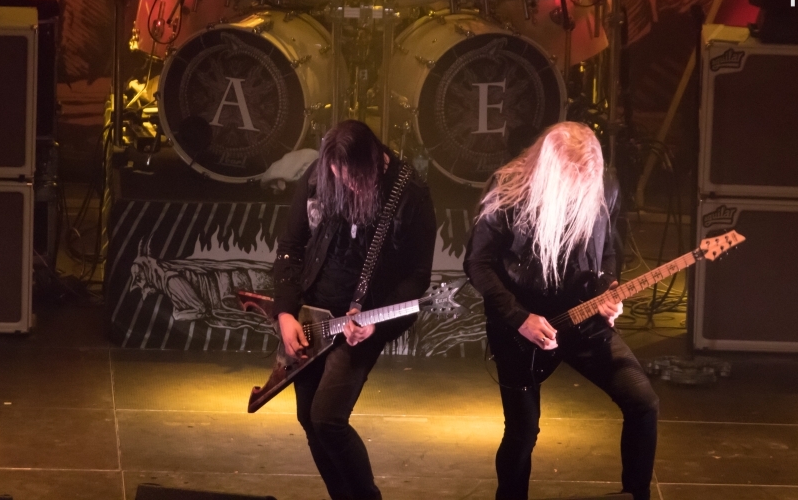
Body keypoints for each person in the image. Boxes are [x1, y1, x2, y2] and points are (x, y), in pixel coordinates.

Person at [463, 121, 659, 500]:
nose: (579, 187)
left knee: (643, 402)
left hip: (583, 318)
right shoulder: (508, 189)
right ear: (549, 169)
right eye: (571, 179)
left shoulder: (605, 184)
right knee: (522, 432)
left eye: (585, 179)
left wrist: (608, 289)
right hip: (521, 326)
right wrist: (519, 318)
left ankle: (637, 495)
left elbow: (607, 250)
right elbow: (478, 264)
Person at [272, 120, 436, 500]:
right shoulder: (318, 178)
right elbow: (290, 247)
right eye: (339, 176)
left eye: (355, 178)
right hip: (310, 316)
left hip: (362, 322)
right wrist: (285, 312)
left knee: (327, 419)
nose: (347, 186)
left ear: (374, 160)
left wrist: (375, 322)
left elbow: (417, 276)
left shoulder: (409, 193)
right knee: (308, 419)